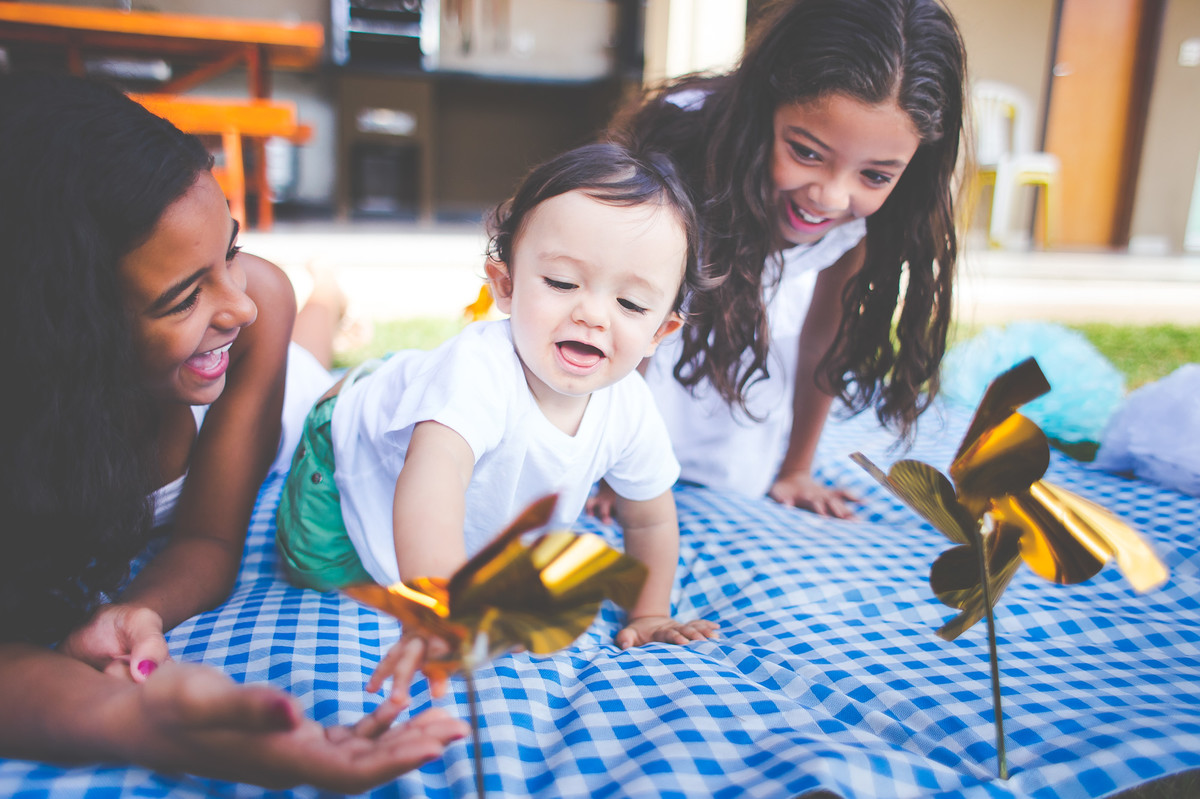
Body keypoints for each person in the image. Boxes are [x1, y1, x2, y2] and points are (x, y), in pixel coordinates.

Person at [0, 71, 466, 789]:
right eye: (183, 296)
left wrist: (137, 610)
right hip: (201, 374)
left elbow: (209, 541)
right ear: (65, 334)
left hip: (277, 399)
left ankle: (328, 289)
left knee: (307, 351)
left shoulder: (256, 305)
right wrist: (148, 722)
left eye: (230, 250)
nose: (235, 302)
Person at [276, 142, 719, 705]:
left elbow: (650, 520)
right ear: (505, 285)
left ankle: (356, 333)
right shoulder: (479, 373)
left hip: (423, 399)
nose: (592, 314)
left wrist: (650, 612)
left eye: (631, 304)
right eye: (562, 283)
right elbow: (431, 486)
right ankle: (327, 297)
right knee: (318, 564)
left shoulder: (629, 406)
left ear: (661, 331)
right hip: (342, 452)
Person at [593, 0, 967, 520]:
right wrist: (614, 465)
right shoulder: (680, 152)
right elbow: (629, 320)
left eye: (875, 175)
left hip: (731, 366)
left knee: (736, 473)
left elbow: (822, 339)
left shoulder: (863, 218)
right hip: (628, 361)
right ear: (765, 106)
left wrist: (796, 468)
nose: (831, 197)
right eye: (807, 153)